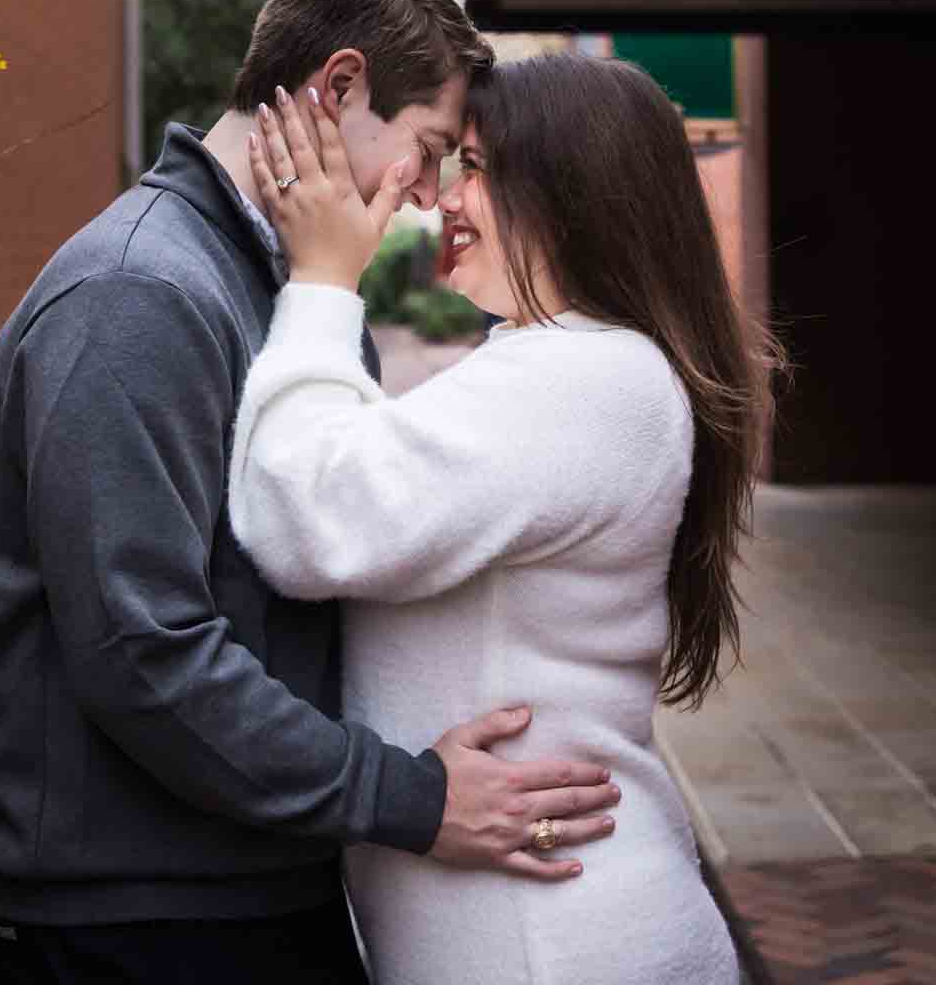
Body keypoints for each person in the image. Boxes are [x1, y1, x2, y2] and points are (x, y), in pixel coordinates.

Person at [0, 0, 621, 985]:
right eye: (427, 147)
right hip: (146, 919)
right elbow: (145, 649)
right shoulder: (138, 293)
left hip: (253, 883)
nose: (422, 194)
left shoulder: (298, 289)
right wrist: (408, 795)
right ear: (342, 84)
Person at [230, 51, 782, 985]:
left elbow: (305, 519)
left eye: (477, 168)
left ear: (569, 197)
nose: (445, 195)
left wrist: (321, 284)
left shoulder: (582, 379)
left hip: (557, 944)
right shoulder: (570, 366)